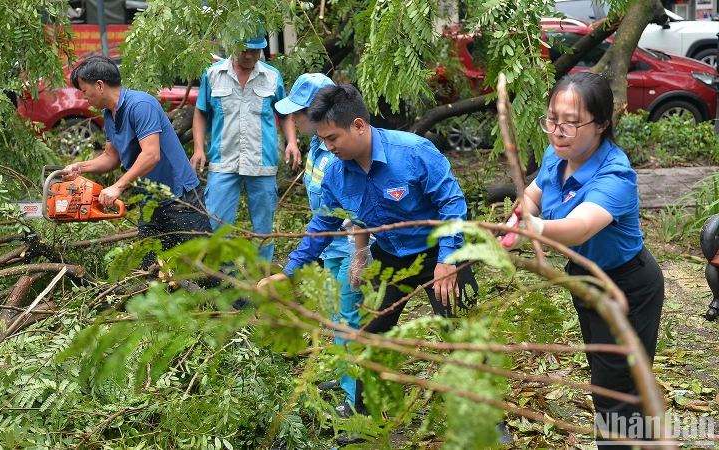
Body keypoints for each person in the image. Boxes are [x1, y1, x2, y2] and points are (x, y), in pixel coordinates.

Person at [258, 84, 478, 417]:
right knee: (369, 336)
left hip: (441, 251)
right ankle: (363, 414)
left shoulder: (414, 152)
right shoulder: (336, 173)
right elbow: (324, 225)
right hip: (391, 257)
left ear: (359, 125)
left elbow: (452, 203)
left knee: (461, 333)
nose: (328, 148)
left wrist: (449, 260)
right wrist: (289, 272)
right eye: (322, 140)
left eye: (333, 139)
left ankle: (488, 420)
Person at [500, 72, 665, 449]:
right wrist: (514, 219)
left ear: (602, 124)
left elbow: (579, 227)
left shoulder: (616, 174)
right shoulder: (558, 154)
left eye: (572, 122)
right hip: (585, 278)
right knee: (608, 380)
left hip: (627, 287)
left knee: (615, 392)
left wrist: (532, 227)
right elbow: (533, 193)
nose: (558, 131)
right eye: (553, 120)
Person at [63, 56, 211, 270]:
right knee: (150, 267)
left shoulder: (141, 105)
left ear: (100, 85)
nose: (84, 97)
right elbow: (110, 158)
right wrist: (80, 167)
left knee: (208, 266)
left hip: (181, 197)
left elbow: (151, 155)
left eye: (85, 90)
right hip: (151, 200)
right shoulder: (109, 114)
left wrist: (118, 186)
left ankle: (246, 302)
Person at [274, 73, 363, 416]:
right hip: (329, 248)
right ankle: (345, 378)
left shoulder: (339, 155)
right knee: (337, 317)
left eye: (299, 112)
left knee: (347, 320)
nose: (294, 119)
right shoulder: (318, 146)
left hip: (348, 249)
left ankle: (357, 401)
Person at [190, 33, 300, 262]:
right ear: (233, 45)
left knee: (263, 227)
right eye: (245, 50)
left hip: (263, 161)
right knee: (215, 222)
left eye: (256, 51)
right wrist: (198, 149)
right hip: (223, 159)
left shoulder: (272, 76)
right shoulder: (213, 74)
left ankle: (262, 278)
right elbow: (201, 111)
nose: (250, 56)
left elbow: (285, 113)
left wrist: (292, 142)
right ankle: (222, 279)